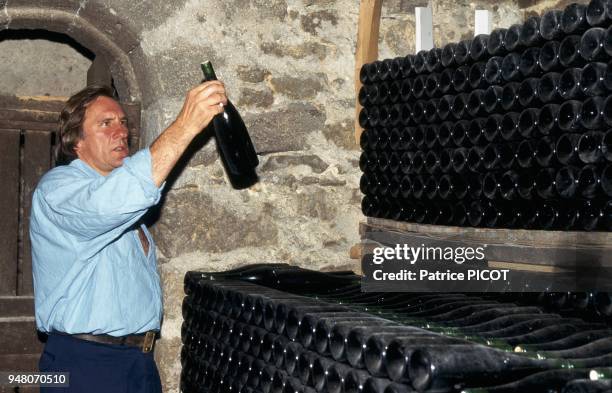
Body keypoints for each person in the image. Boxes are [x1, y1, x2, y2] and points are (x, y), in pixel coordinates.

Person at [30, 80, 227, 392]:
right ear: (75, 140)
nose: (121, 131)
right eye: (105, 123)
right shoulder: (59, 189)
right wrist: (185, 126)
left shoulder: (125, 207)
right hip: (86, 365)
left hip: (137, 363)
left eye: (122, 122)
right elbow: (111, 202)